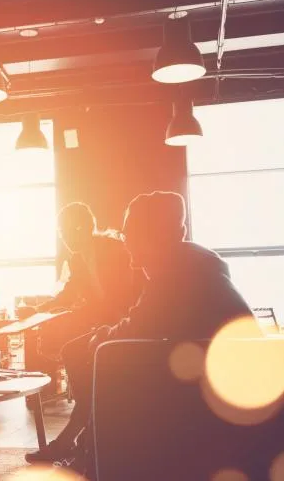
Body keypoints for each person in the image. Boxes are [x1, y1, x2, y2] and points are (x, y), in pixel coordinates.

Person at [52, 191, 255, 476]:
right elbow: (145, 321)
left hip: (210, 393)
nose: (126, 241)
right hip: (228, 383)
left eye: (131, 233)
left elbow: (138, 324)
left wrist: (100, 337)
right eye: (125, 233)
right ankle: (87, 449)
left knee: (108, 359)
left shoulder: (176, 270)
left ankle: (93, 459)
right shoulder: (194, 261)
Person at [23, 202, 139, 464]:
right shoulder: (77, 258)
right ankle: (78, 433)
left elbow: (128, 296)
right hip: (105, 323)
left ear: (85, 227)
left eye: (67, 230)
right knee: (75, 355)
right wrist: (37, 309)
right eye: (61, 232)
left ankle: (75, 435)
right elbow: (71, 292)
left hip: (129, 323)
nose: (64, 237)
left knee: (75, 354)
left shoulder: (113, 249)